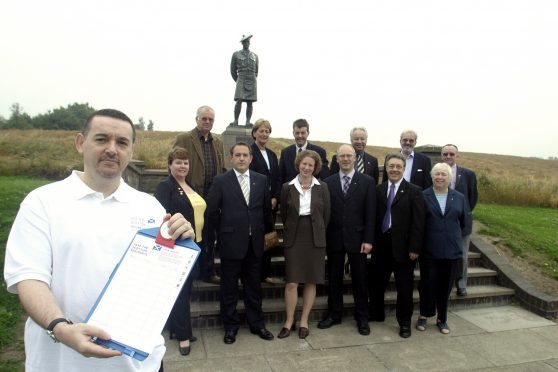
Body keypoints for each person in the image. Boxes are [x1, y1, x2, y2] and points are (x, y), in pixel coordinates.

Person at [4, 109, 195, 372]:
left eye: (122, 143)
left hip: (137, 364)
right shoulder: (43, 203)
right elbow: (28, 278)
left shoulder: (149, 207)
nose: (112, 149)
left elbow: (162, 280)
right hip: (62, 362)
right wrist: (59, 328)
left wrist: (182, 243)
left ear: (131, 150)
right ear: (80, 143)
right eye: (102, 139)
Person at [206, 142, 274, 344]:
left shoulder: (261, 180)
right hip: (231, 244)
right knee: (229, 288)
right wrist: (223, 231)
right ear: (231, 158)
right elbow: (211, 212)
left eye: (245, 155)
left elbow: (265, 212)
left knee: (253, 286)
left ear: (251, 158)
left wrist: (267, 235)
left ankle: (257, 324)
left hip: (255, 245)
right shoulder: (221, 181)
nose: (242, 158)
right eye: (238, 155)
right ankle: (230, 326)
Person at [319, 144, 376, 335]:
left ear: (354, 159)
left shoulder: (367, 182)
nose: (345, 159)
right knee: (334, 278)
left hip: (358, 239)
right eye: (341, 156)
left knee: (360, 279)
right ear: (336, 159)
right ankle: (334, 314)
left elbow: (370, 214)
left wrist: (368, 239)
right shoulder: (328, 182)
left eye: (348, 156)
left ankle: (362, 317)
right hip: (334, 238)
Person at [154, 147, 206, 356]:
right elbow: (161, 219)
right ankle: (183, 336)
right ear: (170, 165)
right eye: (178, 162)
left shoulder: (190, 185)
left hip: (196, 245)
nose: (182, 165)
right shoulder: (165, 187)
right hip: (177, 248)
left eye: (185, 162)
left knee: (187, 290)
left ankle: (177, 328)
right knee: (181, 293)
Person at [369, 153, 425, 338]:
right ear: (386, 168)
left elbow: (418, 222)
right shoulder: (378, 189)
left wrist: (415, 248)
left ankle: (404, 323)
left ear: (403, 169)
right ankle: (376, 314)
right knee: (377, 284)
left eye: (398, 167)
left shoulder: (414, 191)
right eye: (391, 166)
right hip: (381, 246)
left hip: (404, 249)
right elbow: (374, 219)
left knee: (404, 289)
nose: (394, 170)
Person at [278, 150, 330, 339]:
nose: (307, 167)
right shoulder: (287, 187)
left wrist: (316, 230)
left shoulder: (322, 187)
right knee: (292, 281)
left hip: (315, 236)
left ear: (315, 168)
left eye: (311, 165)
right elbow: (284, 213)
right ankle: (289, 321)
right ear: (298, 164)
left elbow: (326, 216)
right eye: (304, 164)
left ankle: (304, 321)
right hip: (294, 235)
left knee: (310, 279)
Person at [173, 105, 225, 285]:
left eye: (211, 119)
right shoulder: (184, 138)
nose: (208, 122)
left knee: (209, 235)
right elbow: (174, 163)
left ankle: (208, 271)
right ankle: (188, 272)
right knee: (190, 234)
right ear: (196, 119)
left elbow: (222, 167)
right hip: (191, 194)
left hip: (212, 196)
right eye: (204, 118)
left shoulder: (218, 141)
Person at [416, 162, 468, 335]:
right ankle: (424, 314)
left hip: (451, 251)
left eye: (443, 174)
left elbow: (464, 223)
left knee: (445, 287)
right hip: (429, 250)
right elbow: (418, 224)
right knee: (427, 285)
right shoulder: (423, 196)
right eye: (436, 174)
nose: (439, 177)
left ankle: (442, 319)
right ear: (432, 177)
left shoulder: (459, 197)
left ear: (449, 177)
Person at [441, 144, 478, 296]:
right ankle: (444, 283)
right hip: (441, 222)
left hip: (462, 222)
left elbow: (473, 198)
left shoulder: (468, 174)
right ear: (441, 156)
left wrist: (464, 213)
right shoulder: (437, 172)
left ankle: (461, 284)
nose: (448, 157)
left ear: (457, 155)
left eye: (451, 154)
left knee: (462, 255)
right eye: (445, 154)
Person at [248, 119, 282, 284]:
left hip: (271, 205)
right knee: (255, 239)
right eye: (261, 130)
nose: (264, 134)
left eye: (267, 131)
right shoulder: (249, 153)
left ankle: (265, 273)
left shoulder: (272, 155)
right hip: (256, 204)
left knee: (269, 238)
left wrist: (275, 197)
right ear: (254, 133)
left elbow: (277, 178)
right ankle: (253, 272)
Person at [279, 118, 330, 183]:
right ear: (293, 133)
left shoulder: (320, 152)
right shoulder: (285, 152)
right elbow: (281, 176)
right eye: (297, 133)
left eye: (303, 133)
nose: (300, 136)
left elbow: (325, 177)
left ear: (308, 133)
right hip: (289, 192)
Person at [231, 34, 259, 126]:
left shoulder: (255, 56)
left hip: (252, 79)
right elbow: (232, 70)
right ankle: (236, 120)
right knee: (239, 100)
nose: (246, 43)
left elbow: (256, 71)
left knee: (250, 102)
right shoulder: (236, 54)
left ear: (249, 43)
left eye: (248, 42)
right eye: (245, 42)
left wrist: (252, 78)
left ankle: (248, 121)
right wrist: (238, 80)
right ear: (242, 43)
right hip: (241, 77)